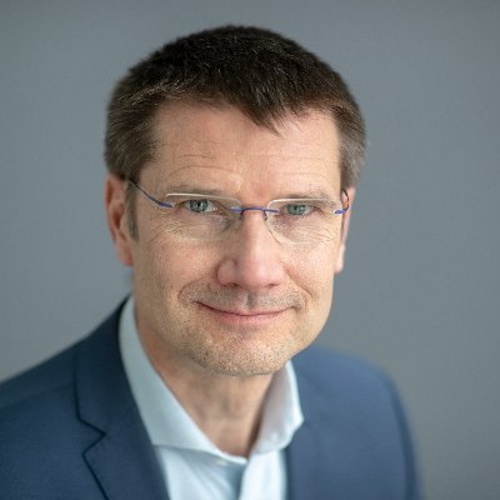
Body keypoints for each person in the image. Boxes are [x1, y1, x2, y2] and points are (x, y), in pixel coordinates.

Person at [0, 25, 419, 499]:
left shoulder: (373, 411)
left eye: (299, 209)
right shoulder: (10, 460)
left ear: (341, 230)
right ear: (120, 219)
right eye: (200, 206)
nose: (255, 271)